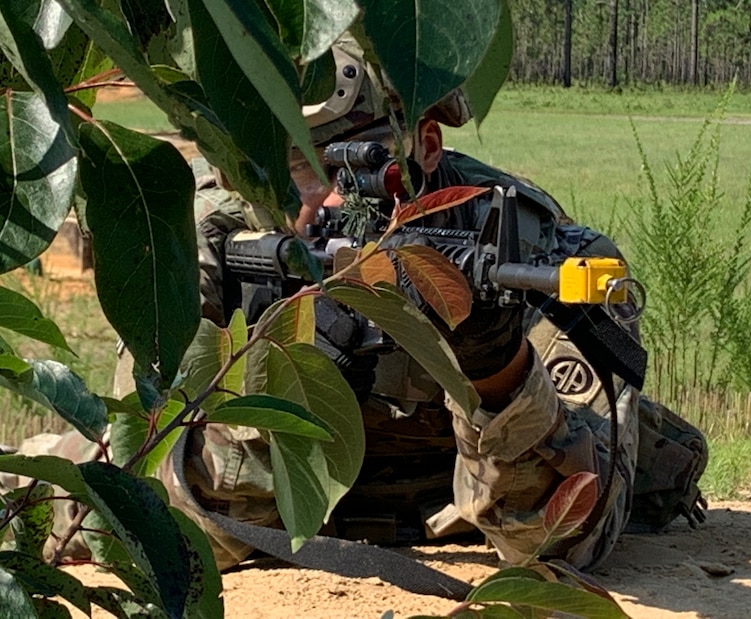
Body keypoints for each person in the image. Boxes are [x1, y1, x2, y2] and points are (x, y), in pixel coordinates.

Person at [3, 37, 707, 575]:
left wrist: (496, 367)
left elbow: (559, 540)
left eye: (335, 165)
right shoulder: (214, 231)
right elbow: (164, 505)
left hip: (454, 505)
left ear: (423, 149)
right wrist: (284, 375)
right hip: (281, 509)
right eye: (276, 168)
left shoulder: (528, 246)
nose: (301, 201)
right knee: (48, 494)